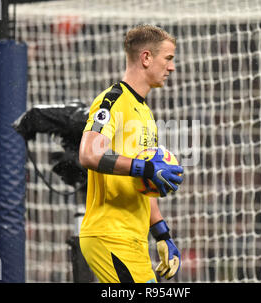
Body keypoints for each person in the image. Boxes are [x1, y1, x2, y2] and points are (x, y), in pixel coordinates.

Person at [78, 24, 184, 283]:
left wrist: (161, 233)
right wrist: (146, 168)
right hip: (109, 235)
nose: (171, 67)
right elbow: (89, 154)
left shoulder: (146, 113)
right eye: (167, 59)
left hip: (132, 239)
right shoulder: (113, 100)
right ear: (146, 58)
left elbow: (144, 185)